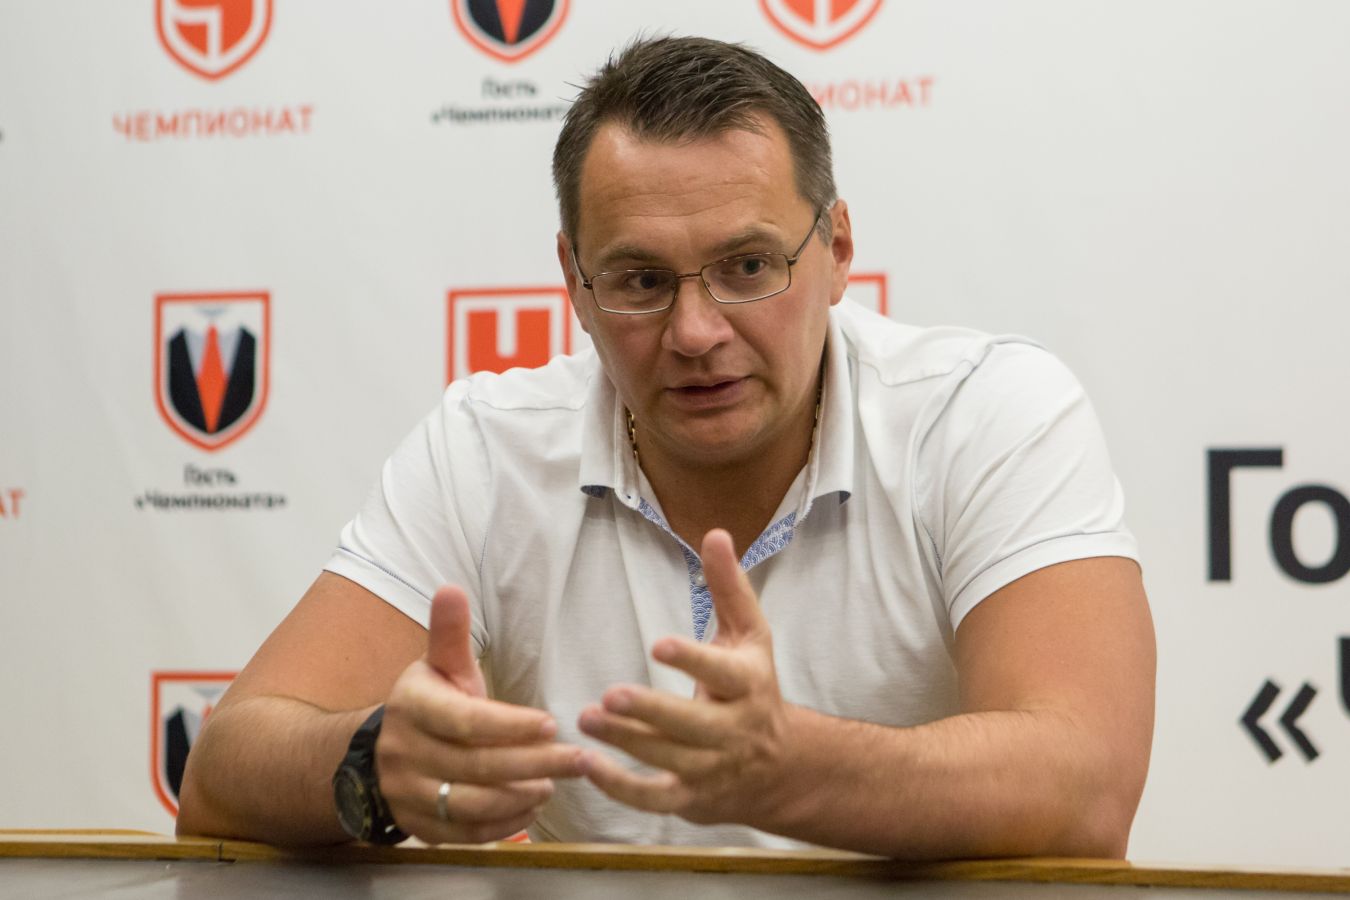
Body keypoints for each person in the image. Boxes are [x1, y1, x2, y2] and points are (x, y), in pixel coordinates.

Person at [177, 36, 1155, 859]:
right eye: (641, 281)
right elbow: (220, 777)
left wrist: (794, 769)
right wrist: (375, 761)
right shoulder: (487, 449)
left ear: (838, 250)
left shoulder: (984, 415)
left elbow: (1086, 787)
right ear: (574, 281)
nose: (695, 332)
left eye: (749, 266)